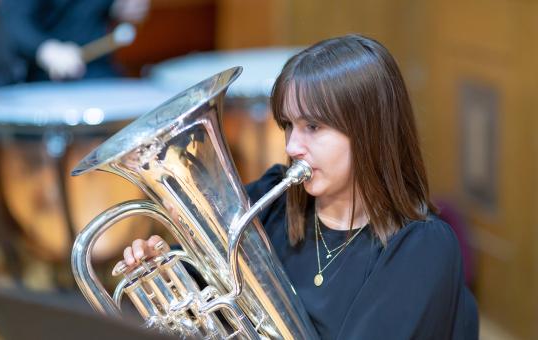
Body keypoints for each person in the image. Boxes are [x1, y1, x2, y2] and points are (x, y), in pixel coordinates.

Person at [118, 34, 479, 339]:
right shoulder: (269, 201)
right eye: (288, 125)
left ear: (369, 132)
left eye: (313, 127)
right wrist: (165, 276)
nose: (292, 147)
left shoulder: (422, 249)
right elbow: (199, 291)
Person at [0, 0, 149, 82]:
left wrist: (120, 6)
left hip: (101, 73)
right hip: (48, 78)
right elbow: (13, 21)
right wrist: (46, 50)